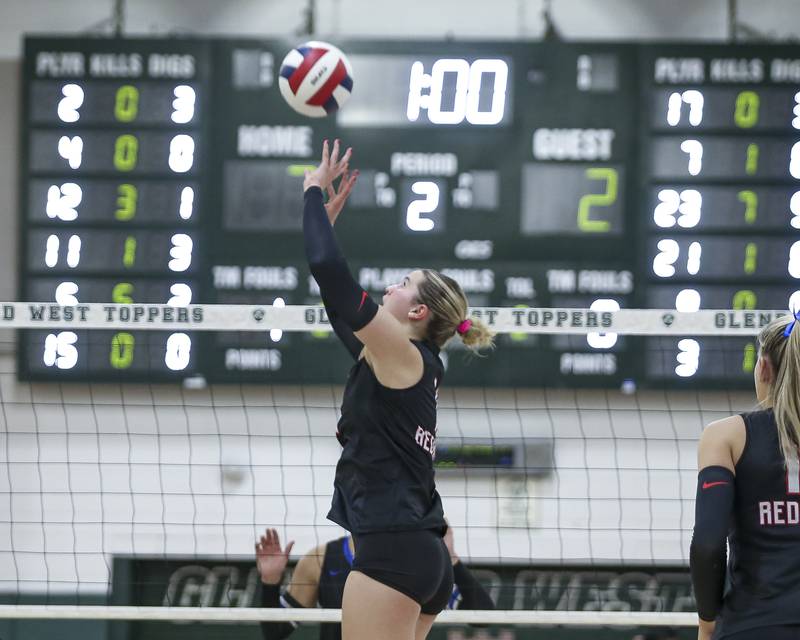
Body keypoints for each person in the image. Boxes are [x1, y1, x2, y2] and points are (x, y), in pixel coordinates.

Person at [301, 139, 494, 640]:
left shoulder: (403, 355)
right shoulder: (399, 359)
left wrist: (313, 194)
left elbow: (331, 273)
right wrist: (325, 224)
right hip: (418, 553)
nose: (390, 287)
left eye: (403, 283)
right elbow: (335, 300)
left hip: (393, 552)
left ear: (418, 311)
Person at [690, 313, 800, 640]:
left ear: (763, 368)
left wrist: (707, 621)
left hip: (754, 624)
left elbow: (708, 544)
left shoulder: (727, 435)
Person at [255, 526, 496, 640]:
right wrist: (270, 581)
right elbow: (275, 632)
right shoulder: (320, 559)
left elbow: (482, 617)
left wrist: (450, 557)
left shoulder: (418, 560)